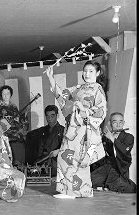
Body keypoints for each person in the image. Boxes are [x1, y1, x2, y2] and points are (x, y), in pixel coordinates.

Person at [45, 60, 107, 199]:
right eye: (85, 71)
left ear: (97, 73)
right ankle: (85, 191)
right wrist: (50, 78)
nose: (87, 74)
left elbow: (101, 111)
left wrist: (82, 109)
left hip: (85, 128)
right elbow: (62, 96)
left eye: (91, 71)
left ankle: (69, 192)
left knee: (68, 158)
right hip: (74, 128)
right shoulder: (79, 88)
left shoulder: (98, 90)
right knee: (78, 161)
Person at [91, 112, 136, 193]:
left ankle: (108, 186)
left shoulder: (129, 137)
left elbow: (125, 152)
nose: (118, 125)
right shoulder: (105, 138)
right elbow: (101, 155)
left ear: (124, 123)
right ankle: (104, 185)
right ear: (110, 123)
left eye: (121, 122)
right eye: (115, 122)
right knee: (88, 181)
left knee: (126, 188)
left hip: (119, 169)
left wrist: (112, 139)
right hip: (107, 168)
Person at [25, 105, 65, 177]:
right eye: (47, 116)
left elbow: (67, 147)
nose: (49, 118)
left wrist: (59, 150)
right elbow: (29, 135)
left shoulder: (63, 130)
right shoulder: (42, 130)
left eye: (52, 116)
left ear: (57, 115)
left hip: (54, 161)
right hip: (41, 160)